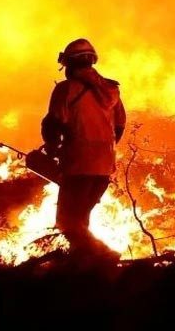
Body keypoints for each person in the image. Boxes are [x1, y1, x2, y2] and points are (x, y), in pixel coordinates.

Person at [41, 38, 126, 260]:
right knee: (80, 221)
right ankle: (83, 268)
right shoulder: (112, 90)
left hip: (78, 167)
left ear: (70, 64)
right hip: (103, 171)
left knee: (67, 222)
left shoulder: (65, 90)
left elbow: (53, 125)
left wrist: (53, 148)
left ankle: (104, 256)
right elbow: (119, 127)